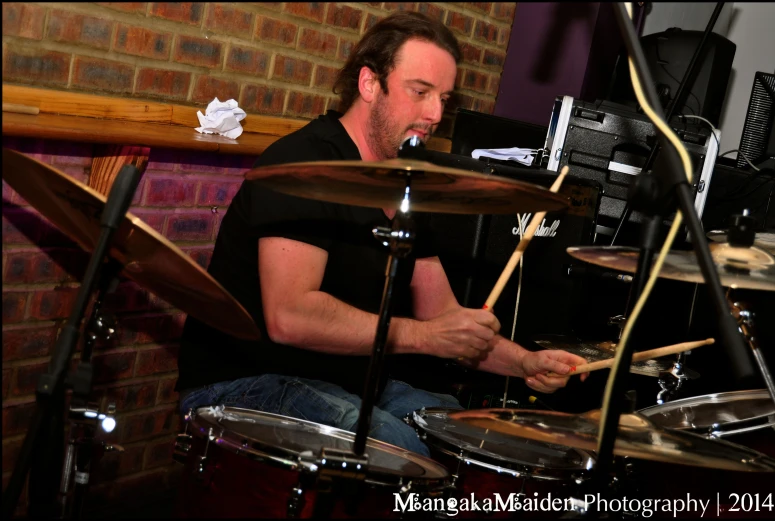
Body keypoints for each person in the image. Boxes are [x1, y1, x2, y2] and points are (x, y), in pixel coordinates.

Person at [175, 11, 588, 457]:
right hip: (244, 383)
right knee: (399, 447)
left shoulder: (406, 183)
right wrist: (424, 338)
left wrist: (524, 362)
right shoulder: (306, 164)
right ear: (370, 83)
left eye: (444, 99)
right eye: (420, 92)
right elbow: (290, 316)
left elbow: (443, 320)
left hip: (346, 381)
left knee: (472, 434)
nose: (434, 114)